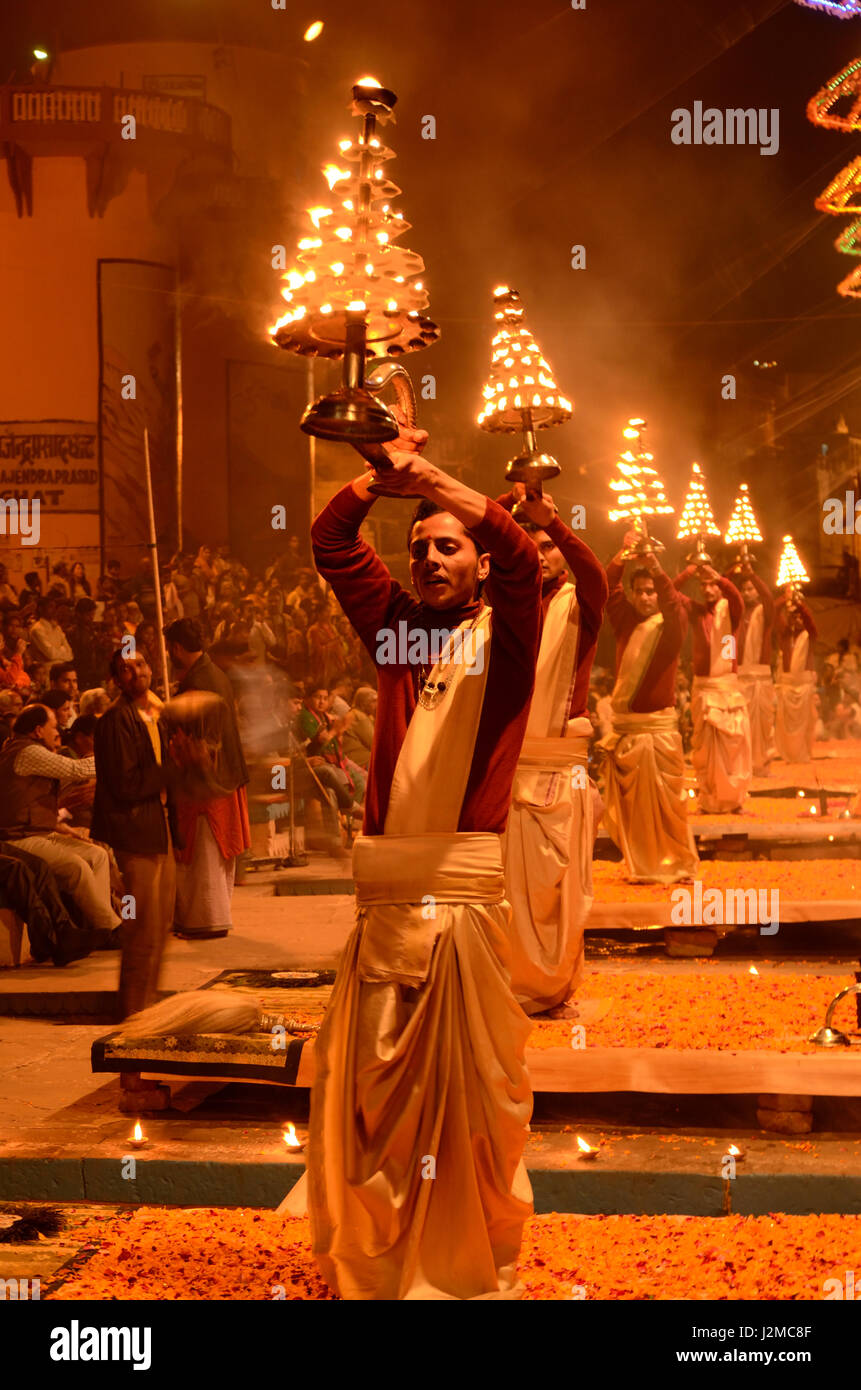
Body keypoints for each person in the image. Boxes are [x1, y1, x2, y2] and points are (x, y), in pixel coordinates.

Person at [294, 408, 542, 1302]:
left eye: (449, 549)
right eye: (420, 550)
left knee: (474, 1103)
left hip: (461, 916)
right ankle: (380, 1257)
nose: (432, 560)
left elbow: (523, 560)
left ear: (476, 566)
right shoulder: (395, 635)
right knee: (369, 1097)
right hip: (386, 907)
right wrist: (376, 475)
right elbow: (331, 544)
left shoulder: (507, 640)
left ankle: (459, 1258)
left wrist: (433, 481)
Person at [497, 484, 608, 1018]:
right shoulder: (502, 602)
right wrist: (503, 506)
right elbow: (480, 541)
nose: (539, 556)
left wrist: (554, 521)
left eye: (547, 546)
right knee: (505, 893)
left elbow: (597, 576)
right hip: (505, 768)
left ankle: (549, 987)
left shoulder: (579, 601)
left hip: (556, 775)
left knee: (554, 890)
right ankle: (508, 982)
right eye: (529, 545)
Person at [92, 649, 178, 1109]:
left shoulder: (156, 715)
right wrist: (177, 765)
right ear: (115, 677)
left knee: (159, 937)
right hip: (133, 836)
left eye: (142, 664)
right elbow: (125, 785)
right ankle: (130, 1060)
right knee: (140, 941)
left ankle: (147, 1039)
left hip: (156, 830)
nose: (137, 672)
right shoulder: (114, 722)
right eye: (126, 667)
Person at [600, 535, 699, 883]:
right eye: (639, 591)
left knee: (669, 809)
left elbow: (673, 602)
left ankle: (675, 865)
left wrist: (657, 568)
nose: (645, 597)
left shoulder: (672, 626)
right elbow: (605, 585)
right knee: (635, 811)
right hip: (628, 734)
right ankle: (643, 867)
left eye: (650, 591)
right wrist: (623, 553)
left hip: (659, 735)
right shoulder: (625, 619)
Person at [163, 619, 251, 940]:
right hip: (220, 775)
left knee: (205, 850)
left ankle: (206, 919)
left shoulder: (199, 681)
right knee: (210, 854)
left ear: (175, 648)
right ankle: (212, 916)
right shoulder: (212, 674)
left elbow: (199, 738)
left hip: (206, 779)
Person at [0, 704, 119, 937]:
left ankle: (103, 923)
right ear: (37, 730)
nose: (58, 732)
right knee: (77, 866)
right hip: (20, 837)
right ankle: (114, 927)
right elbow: (76, 770)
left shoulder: (30, 751)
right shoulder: (27, 752)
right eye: (53, 726)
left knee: (98, 855)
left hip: (39, 832)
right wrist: (115, 756)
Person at [674, 561, 751, 813]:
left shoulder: (732, 611)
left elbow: (736, 597)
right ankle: (708, 801)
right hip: (704, 690)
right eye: (703, 585)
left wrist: (718, 577)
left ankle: (735, 800)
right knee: (706, 751)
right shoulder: (696, 611)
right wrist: (689, 572)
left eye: (711, 585)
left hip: (727, 688)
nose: (707, 590)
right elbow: (671, 593)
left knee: (733, 749)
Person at [728, 563, 775, 778]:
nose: (747, 593)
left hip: (760, 678)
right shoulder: (733, 615)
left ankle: (761, 765)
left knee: (761, 726)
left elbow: (768, 597)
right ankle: (742, 765)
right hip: (738, 678)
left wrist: (752, 575)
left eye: (750, 588)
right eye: (744, 589)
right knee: (737, 725)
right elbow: (726, 644)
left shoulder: (765, 613)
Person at [774, 588, 818, 763]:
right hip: (787, 686)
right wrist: (786, 599)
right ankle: (789, 756)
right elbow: (774, 611)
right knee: (785, 725)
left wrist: (799, 605)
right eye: (793, 617)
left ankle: (803, 755)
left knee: (804, 725)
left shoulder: (809, 635)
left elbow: (809, 621)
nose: (797, 619)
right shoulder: (784, 635)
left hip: (803, 686)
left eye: (799, 617)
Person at [28, 597, 74, 664]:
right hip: (46, 670)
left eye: (55, 607)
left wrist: (58, 652)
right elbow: (51, 654)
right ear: (41, 609)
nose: (54, 610)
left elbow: (70, 654)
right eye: (50, 607)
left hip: (62, 667)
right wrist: (62, 650)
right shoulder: (37, 629)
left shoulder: (57, 628)